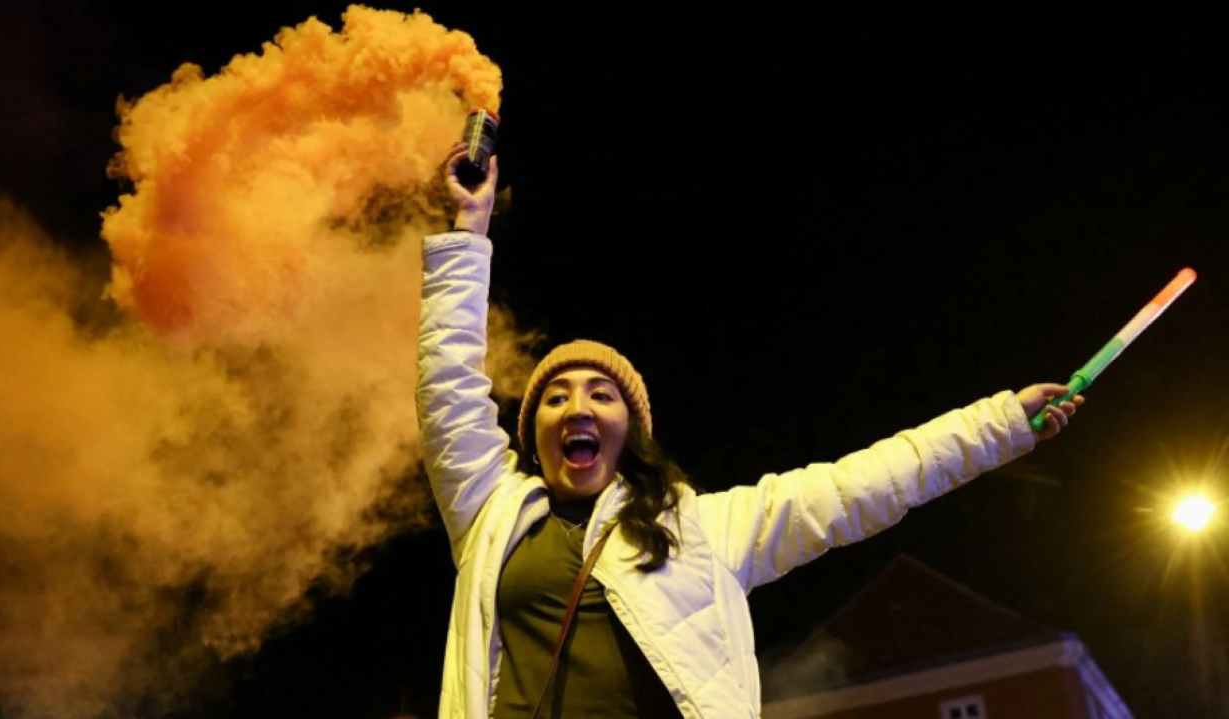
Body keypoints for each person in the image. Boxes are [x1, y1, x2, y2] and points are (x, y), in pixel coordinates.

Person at [416, 143, 1084, 719]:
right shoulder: (491, 513)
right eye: (555, 397)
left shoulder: (704, 529)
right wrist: (469, 228)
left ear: (632, 431)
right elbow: (448, 385)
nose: (577, 406)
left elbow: (866, 483)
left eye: (601, 393)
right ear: (533, 436)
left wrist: (999, 424)